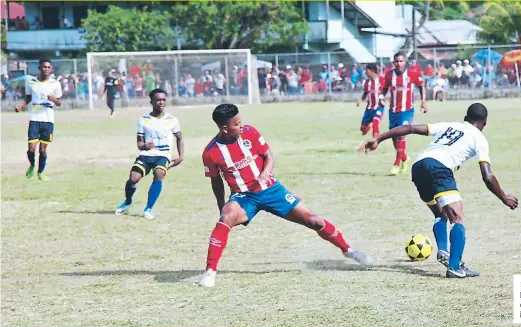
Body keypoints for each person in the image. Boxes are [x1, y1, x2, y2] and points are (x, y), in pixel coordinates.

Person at [199, 104, 371, 287]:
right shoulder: (211, 152)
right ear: (225, 128)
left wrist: (266, 173)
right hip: (243, 196)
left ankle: (348, 250)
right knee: (226, 217)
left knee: (314, 221)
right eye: (237, 124)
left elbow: (268, 156)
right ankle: (210, 271)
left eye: (241, 121)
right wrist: (221, 206)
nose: (242, 125)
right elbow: (215, 182)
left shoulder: (250, 132)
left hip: (272, 190)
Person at [359, 103, 518, 278]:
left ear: (466, 117)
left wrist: (378, 139)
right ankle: (455, 267)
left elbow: (409, 128)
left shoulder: (450, 126)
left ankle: (444, 250)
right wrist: (504, 197)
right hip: (439, 168)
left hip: (419, 166)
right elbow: (487, 176)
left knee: (440, 214)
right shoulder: (479, 138)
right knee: (457, 218)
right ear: (484, 123)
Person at [115, 88, 184, 219]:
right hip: (146, 156)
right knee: (133, 178)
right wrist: (145, 146)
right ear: (151, 102)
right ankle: (128, 201)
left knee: (159, 174)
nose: (161, 102)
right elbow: (139, 143)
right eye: (158, 100)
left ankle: (148, 208)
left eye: (163, 100)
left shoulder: (172, 120)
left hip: (163, 155)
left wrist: (180, 156)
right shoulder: (143, 120)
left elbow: (179, 138)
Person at [379, 52, 427, 176]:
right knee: (394, 137)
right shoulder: (389, 74)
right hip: (393, 111)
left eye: (401, 61)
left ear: (405, 62)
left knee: (401, 135)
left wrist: (423, 102)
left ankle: (397, 162)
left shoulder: (412, 74)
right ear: (393, 63)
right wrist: (381, 97)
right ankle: (405, 158)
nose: (399, 64)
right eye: (396, 61)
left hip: (407, 110)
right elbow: (385, 87)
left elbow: (421, 86)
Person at [15, 59, 62, 181]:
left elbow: (59, 102)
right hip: (35, 118)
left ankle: (41, 172)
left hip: (48, 119)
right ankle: (32, 164)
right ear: (39, 68)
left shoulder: (55, 83)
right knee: (31, 148)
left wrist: (54, 99)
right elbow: (28, 98)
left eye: (48, 67)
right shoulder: (32, 81)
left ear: (51, 69)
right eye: (44, 67)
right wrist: (21, 105)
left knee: (43, 149)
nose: (46, 69)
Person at [356, 63, 385, 138]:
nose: (365, 73)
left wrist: (383, 99)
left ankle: (374, 143)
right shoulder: (366, 82)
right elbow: (365, 93)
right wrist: (361, 100)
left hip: (379, 107)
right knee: (363, 129)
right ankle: (368, 126)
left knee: (375, 122)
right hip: (369, 108)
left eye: (367, 71)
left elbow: (387, 89)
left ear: (372, 71)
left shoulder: (381, 80)